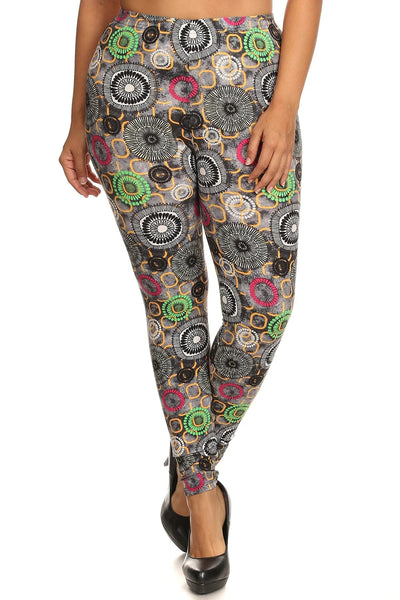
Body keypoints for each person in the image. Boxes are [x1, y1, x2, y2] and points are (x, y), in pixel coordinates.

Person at [59, 0, 322, 593]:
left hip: (247, 75)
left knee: (265, 306)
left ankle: (189, 462)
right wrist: (76, 117)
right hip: (129, 79)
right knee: (173, 307)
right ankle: (202, 504)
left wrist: (285, 104)